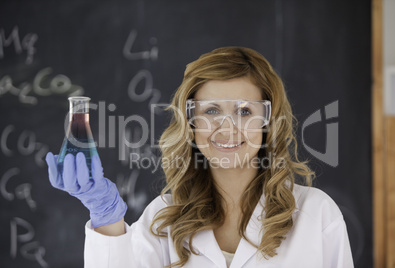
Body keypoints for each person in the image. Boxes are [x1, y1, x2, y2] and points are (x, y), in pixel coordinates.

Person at [46, 46, 354, 268]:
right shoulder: (162, 220)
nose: (227, 128)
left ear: (269, 123)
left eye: (245, 111)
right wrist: (107, 219)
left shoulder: (318, 216)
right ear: (191, 125)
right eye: (211, 111)